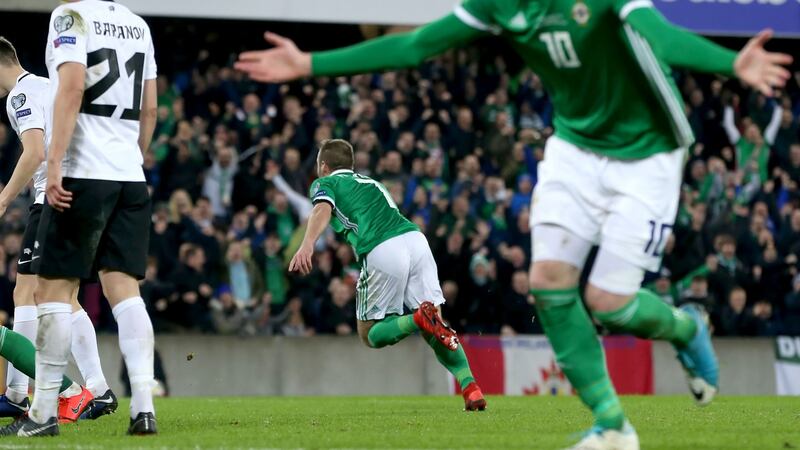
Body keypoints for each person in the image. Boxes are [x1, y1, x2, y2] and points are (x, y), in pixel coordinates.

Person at [236, 2, 791, 448]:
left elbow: (660, 36)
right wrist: (310, 64)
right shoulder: (500, 3)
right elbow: (416, 45)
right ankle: (612, 425)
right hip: (574, 146)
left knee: (609, 302)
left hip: (648, 150)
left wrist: (731, 65)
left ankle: (687, 328)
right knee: (548, 283)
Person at [5, 0, 159, 437]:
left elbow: (72, 88)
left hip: (83, 172)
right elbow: (150, 109)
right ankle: (143, 408)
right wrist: (132, 159)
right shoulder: (137, 24)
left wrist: (55, 163)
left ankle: (42, 412)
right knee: (125, 291)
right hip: (129, 176)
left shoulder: (69, 16)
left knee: (51, 291)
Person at [288, 139, 486, 411]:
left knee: (369, 333)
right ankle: (471, 387)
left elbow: (322, 208)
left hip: (383, 248)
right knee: (436, 327)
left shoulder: (325, 183)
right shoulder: (373, 183)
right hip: (416, 241)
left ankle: (417, 319)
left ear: (324, 166)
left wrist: (308, 243)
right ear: (351, 164)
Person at [0, 36, 114, 421]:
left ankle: (18, 393)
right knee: (63, 297)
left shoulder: (20, 95)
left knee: (28, 294)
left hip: (51, 197)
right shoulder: (48, 86)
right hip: (80, 193)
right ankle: (98, 389)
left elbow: (34, 152)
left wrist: (3, 199)